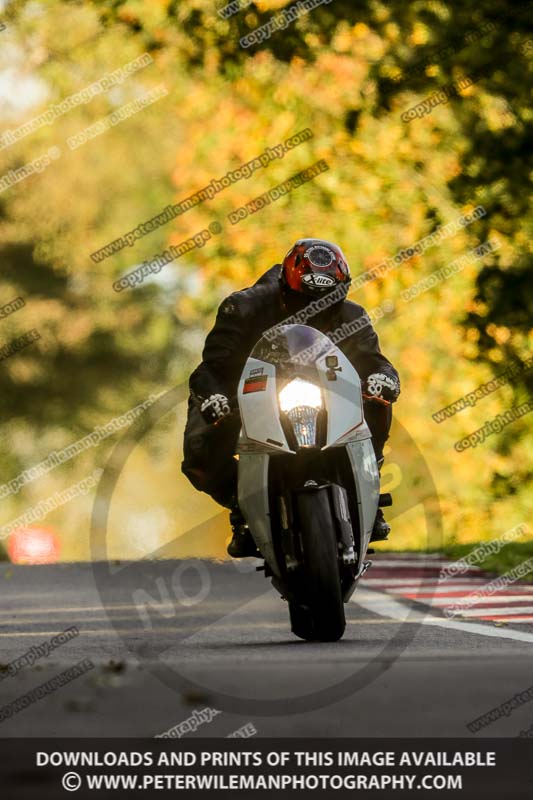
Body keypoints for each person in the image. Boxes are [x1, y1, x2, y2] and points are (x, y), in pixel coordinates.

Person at [182, 238, 400, 557]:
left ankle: (370, 481)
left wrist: (385, 379)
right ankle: (241, 506)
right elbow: (211, 367)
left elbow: (374, 360)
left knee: (378, 397)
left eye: (329, 302)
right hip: (249, 391)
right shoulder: (242, 308)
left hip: (325, 392)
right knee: (200, 455)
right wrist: (215, 398)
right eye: (305, 302)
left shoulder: (352, 315)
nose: (316, 311)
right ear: (285, 288)